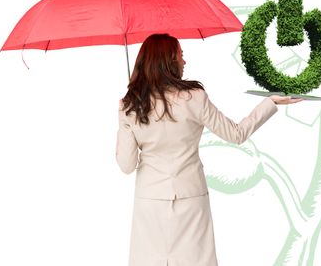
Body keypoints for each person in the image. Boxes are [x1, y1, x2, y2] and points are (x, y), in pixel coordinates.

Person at [116, 33, 302, 266]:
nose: (184, 61)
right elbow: (236, 134)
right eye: (180, 56)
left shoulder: (129, 106)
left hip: (150, 200)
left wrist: (129, 119)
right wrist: (270, 102)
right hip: (191, 196)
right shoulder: (194, 97)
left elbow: (126, 165)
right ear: (168, 61)